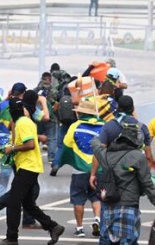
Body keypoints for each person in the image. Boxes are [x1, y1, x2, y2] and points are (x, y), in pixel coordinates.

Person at [0, 98, 65, 245]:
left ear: (11, 111)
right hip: (28, 166)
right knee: (28, 204)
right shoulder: (23, 121)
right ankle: (53, 227)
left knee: (14, 202)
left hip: (28, 167)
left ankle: (12, 238)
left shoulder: (22, 123)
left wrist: (11, 148)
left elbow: (30, 144)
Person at [90, 124, 155, 244]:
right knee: (128, 241)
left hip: (108, 207)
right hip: (128, 205)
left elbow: (95, 143)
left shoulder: (106, 154)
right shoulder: (137, 157)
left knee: (106, 240)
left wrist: (104, 130)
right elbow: (147, 183)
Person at [57, 100, 103, 238]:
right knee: (96, 198)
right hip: (98, 169)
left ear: (80, 113)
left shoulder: (75, 126)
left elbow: (66, 145)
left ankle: (80, 228)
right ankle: (97, 219)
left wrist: (67, 160)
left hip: (79, 169)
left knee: (78, 199)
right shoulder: (103, 126)